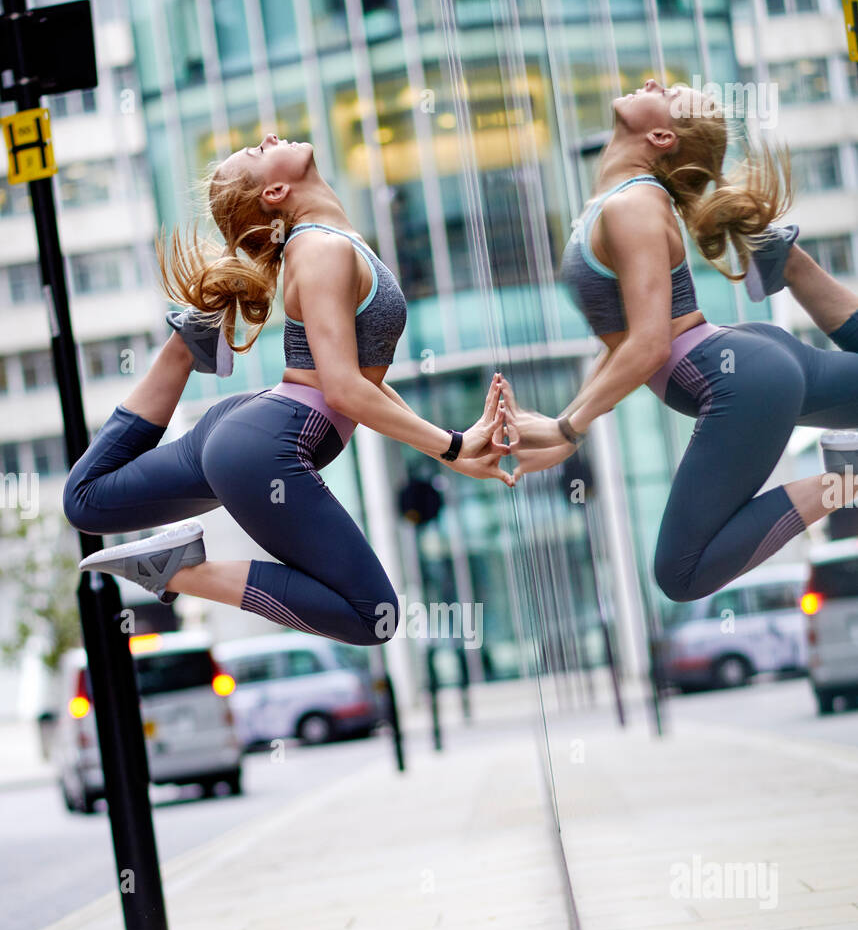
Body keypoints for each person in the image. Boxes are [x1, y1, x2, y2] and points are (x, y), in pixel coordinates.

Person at [63, 135, 517, 645]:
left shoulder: (329, 240)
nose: (269, 138)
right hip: (262, 446)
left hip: (249, 434)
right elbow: (344, 392)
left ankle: (186, 347)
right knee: (376, 616)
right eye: (259, 152)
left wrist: (448, 448)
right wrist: (449, 444)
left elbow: (359, 379)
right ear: (276, 190)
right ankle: (179, 572)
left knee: (87, 502)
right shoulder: (321, 249)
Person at [496, 80, 858, 603]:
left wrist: (568, 426)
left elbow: (648, 348)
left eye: (668, 91)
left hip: (745, 378)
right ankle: (786, 262)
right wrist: (563, 424)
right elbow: (627, 342)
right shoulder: (618, 203)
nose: (653, 82)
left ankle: (845, 480)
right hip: (753, 362)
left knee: (681, 573)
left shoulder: (634, 207)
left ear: (662, 135)